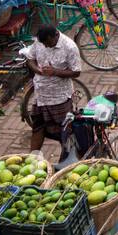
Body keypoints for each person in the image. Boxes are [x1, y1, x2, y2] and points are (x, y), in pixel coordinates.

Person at [21, 25, 83, 154]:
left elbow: (76, 72)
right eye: (43, 43)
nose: (46, 46)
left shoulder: (70, 47)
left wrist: (55, 71)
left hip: (59, 98)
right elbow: (30, 59)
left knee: (64, 131)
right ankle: (32, 158)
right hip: (41, 96)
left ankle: (67, 159)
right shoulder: (40, 41)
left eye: (48, 43)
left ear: (55, 35)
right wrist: (37, 69)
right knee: (38, 127)